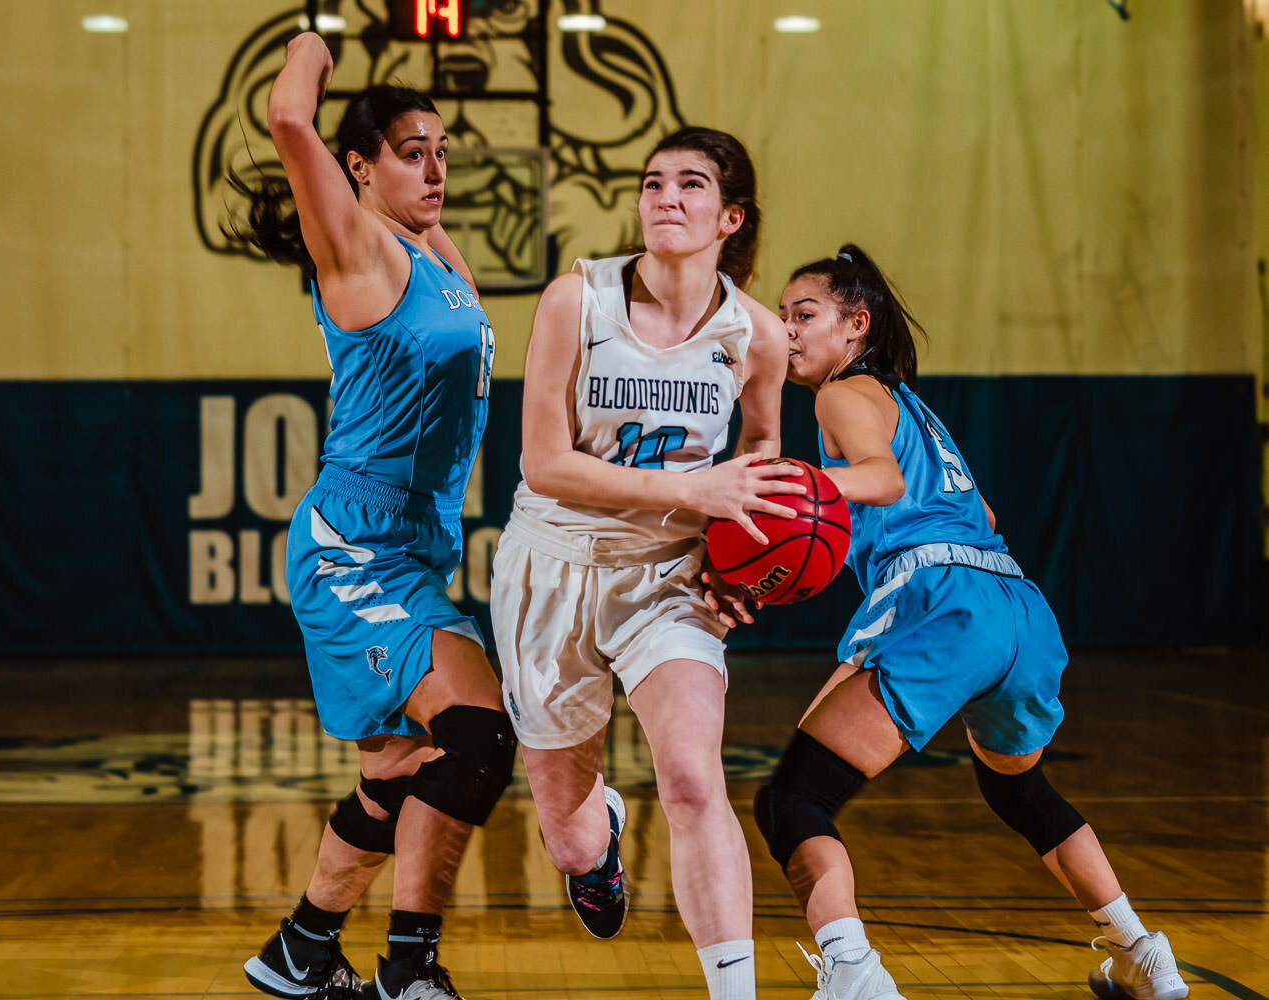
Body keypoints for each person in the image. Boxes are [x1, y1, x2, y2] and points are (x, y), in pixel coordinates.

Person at [755, 244, 1191, 1000]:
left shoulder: (838, 397)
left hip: (941, 599)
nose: (788, 330)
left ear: (856, 325)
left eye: (805, 315)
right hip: (1016, 604)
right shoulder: (913, 408)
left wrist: (791, 489)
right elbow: (983, 513)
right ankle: (1142, 952)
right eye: (783, 316)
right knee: (1020, 792)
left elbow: (883, 482)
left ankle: (855, 974)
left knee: (792, 799)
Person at [224, 32, 515, 1000]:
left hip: (410, 551)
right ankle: (410, 968)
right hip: (353, 548)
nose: (435, 167)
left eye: (441, 149)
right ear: (360, 167)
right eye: (410, 150)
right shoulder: (354, 245)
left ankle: (301, 950)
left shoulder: (433, 251)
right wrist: (319, 37)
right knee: (475, 735)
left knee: (397, 771)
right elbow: (286, 116)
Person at [489, 126, 799, 1000]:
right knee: (569, 836)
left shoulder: (757, 335)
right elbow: (543, 464)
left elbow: (764, 461)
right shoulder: (574, 300)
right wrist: (701, 494)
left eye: (692, 185)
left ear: (729, 217)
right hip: (552, 565)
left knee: (696, 777)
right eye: (654, 182)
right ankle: (599, 836)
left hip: (667, 575)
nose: (667, 197)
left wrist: (745, 569)